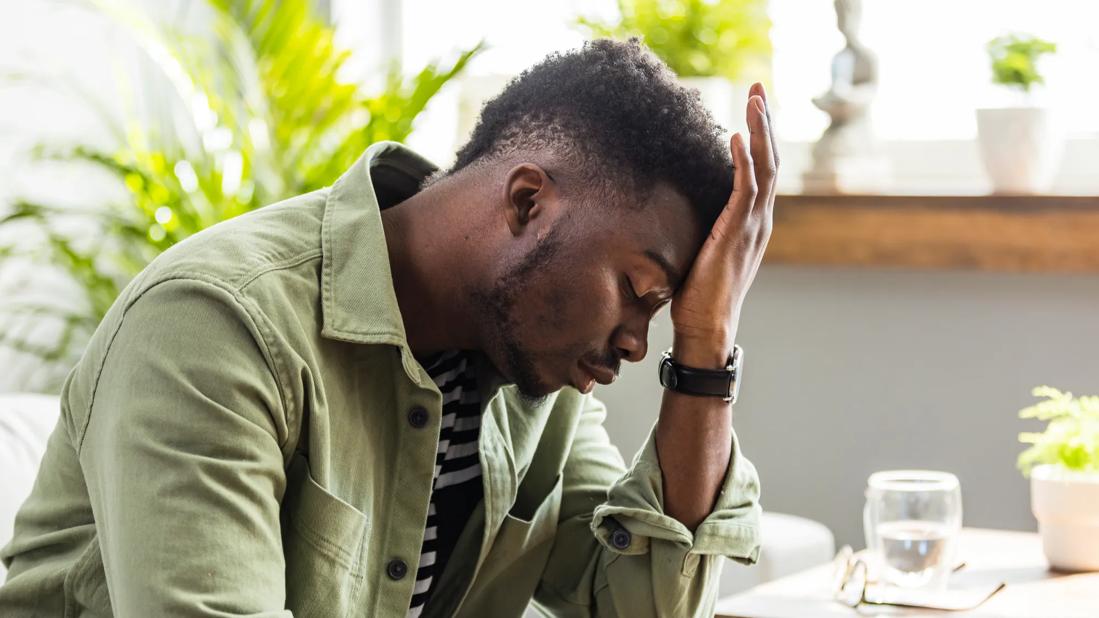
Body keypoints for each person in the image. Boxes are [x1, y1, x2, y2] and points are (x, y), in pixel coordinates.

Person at [0, 38, 777, 617]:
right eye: (637, 292)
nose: (638, 344)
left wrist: (705, 350)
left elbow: (641, 608)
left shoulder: (527, 380)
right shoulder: (215, 324)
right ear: (526, 203)